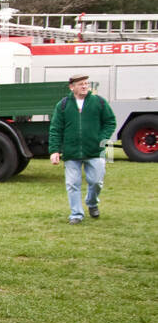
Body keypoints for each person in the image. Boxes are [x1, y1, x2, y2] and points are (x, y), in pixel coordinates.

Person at [48, 74, 116, 223]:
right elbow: (56, 129)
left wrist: (101, 139)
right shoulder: (63, 105)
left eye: (86, 83)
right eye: (80, 84)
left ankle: (92, 203)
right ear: (72, 87)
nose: (84, 86)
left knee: (96, 182)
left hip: (95, 151)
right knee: (72, 184)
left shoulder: (99, 102)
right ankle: (76, 214)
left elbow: (110, 122)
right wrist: (54, 150)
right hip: (71, 152)